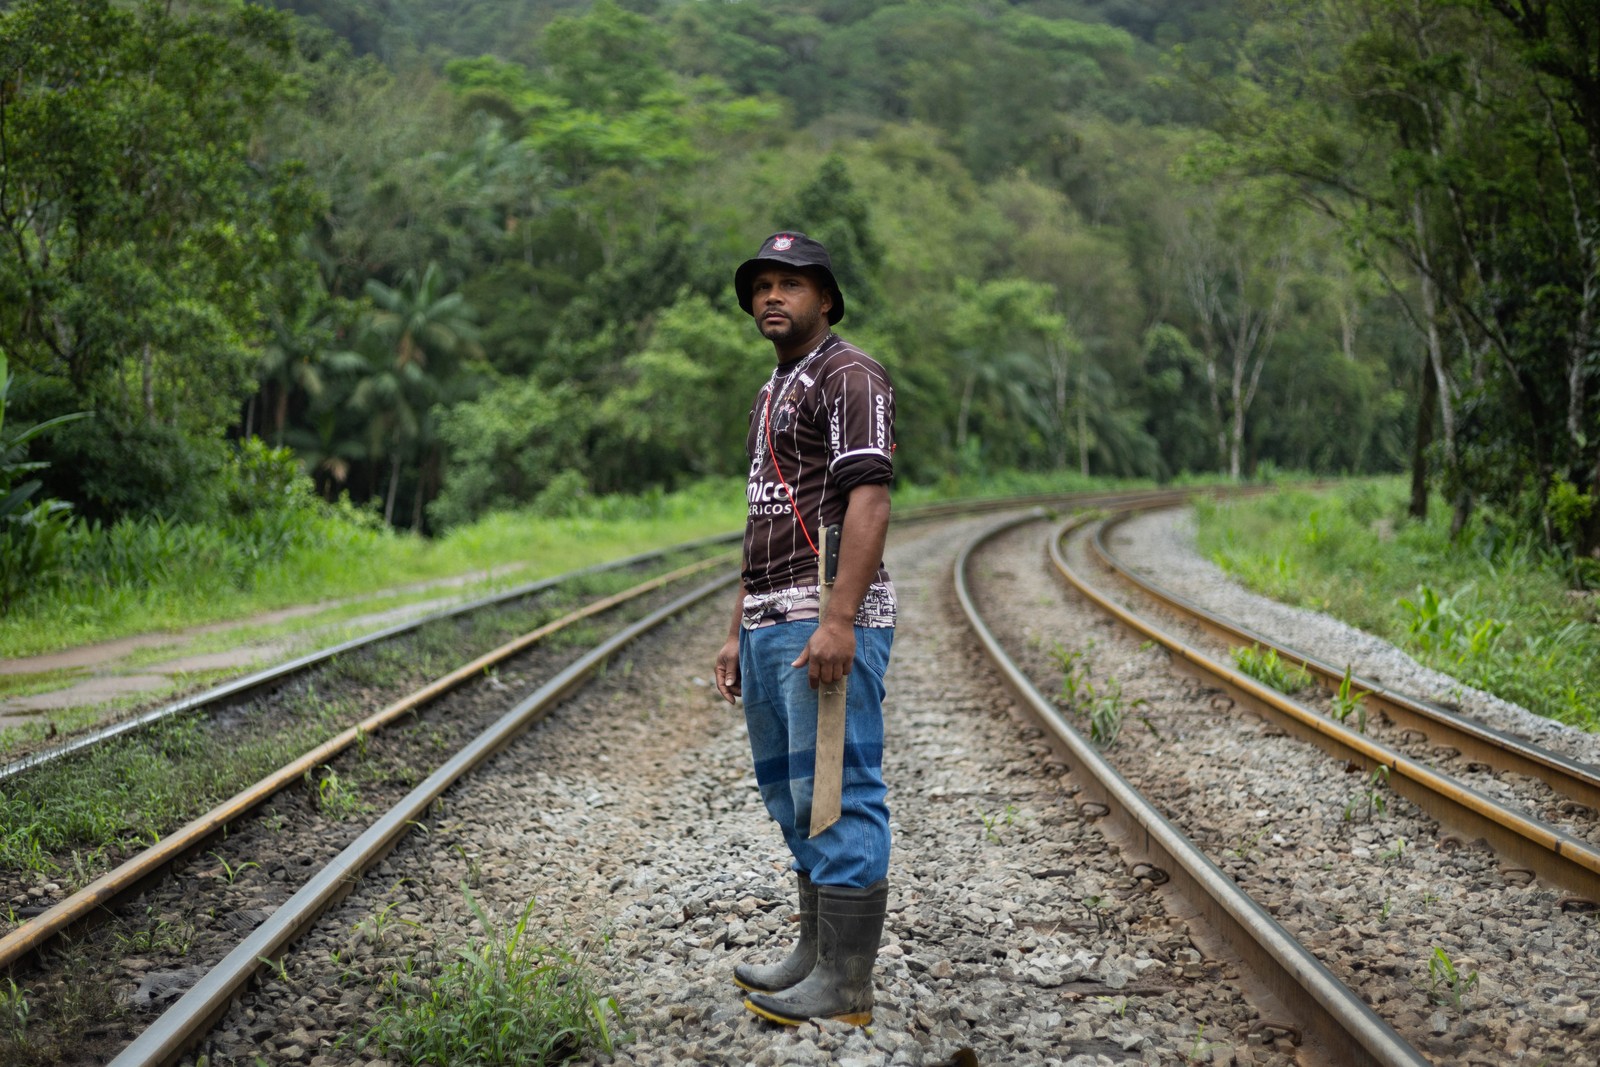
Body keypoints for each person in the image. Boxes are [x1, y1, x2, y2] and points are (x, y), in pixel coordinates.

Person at [713, 231, 897, 1026]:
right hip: (768, 618)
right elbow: (762, 517)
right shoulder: (772, 390)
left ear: (826, 298)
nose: (772, 297)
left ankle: (847, 986)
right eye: (762, 286)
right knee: (793, 794)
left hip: (818, 617)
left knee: (837, 792)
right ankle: (814, 955)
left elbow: (870, 497)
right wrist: (734, 629)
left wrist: (840, 618)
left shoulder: (850, 374)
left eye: (791, 284)